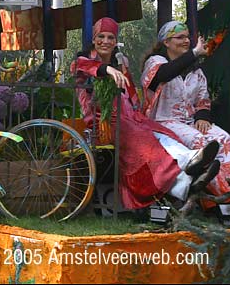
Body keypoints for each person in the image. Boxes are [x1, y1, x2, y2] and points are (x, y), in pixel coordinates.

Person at [71, 17, 221, 210]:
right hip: (103, 122)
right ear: (94, 39)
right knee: (145, 139)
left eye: (110, 37)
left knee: (163, 133)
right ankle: (184, 174)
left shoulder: (120, 61)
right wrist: (106, 69)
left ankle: (188, 162)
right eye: (101, 36)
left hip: (130, 117)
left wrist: (137, 112)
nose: (105, 41)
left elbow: (131, 92)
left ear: (115, 41)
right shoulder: (83, 60)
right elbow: (81, 67)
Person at [141, 20, 230, 209]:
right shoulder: (156, 62)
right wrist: (194, 53)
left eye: (187, 37)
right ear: (166, 42)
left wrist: (202, 117)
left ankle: (226, 192)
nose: (186, 41)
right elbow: (164, 75)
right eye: (179, 37)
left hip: (189, 122)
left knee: (223, 138)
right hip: (162, 122)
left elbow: (203, 99)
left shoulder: (195, 70)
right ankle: (227, 197)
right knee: (201, 142)